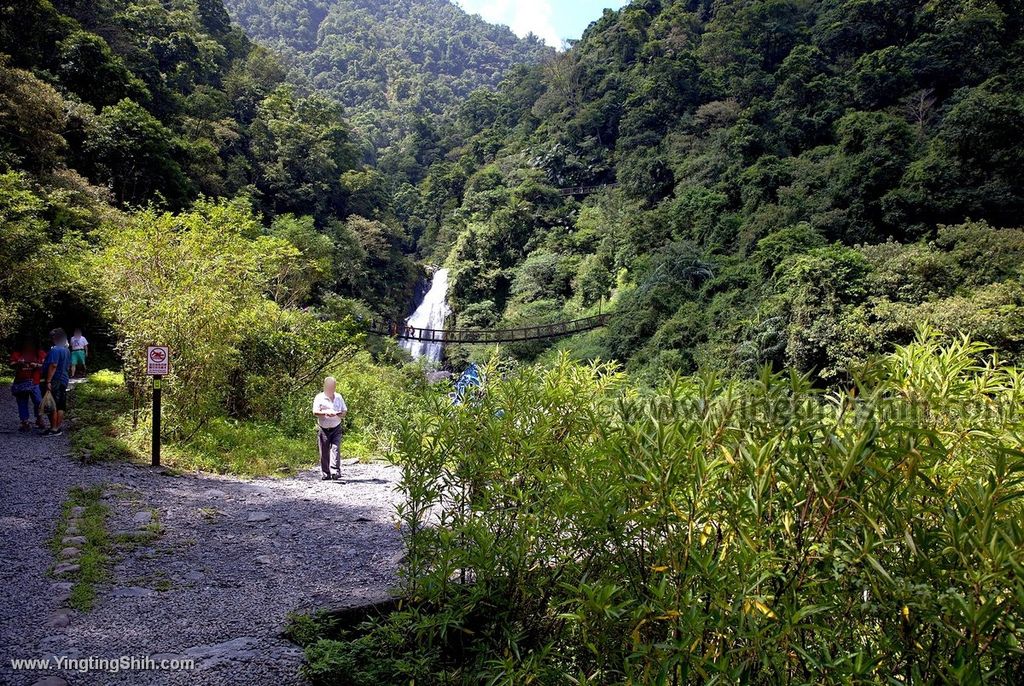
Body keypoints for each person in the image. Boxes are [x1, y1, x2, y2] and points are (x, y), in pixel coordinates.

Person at [312, 376, 347, 481]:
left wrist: (339, 414)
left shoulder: (339, 397)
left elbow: (344, 411)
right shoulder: (319, 397)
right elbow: (315, 412)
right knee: (324, 451)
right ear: (325, 386)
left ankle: (335, 471)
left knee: (335, 449)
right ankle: (325, 473)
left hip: (336, 427)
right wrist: (326, 413)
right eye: (329, 387)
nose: (331, 389)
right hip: (323, 428)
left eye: (333, 387)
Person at [9, 340, 46, 432]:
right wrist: (18, 363)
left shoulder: (40, 353)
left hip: (35, 382)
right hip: (21, 382)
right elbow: (11, 364)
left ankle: (39, 418)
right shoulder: (17, 353)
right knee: (22, 402)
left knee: (38, 401)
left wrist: (36, 365)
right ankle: (25, 422)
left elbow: (46, 364)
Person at [40, 328, 71, 437]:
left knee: (52, 404)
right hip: (64, 379)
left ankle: (54, 429)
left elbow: (53, 365)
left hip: (55, 379)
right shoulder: (66, 350)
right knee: (61, 404)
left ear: (55, 338)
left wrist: (48, 381)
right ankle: (57, 427)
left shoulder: (55, 350)